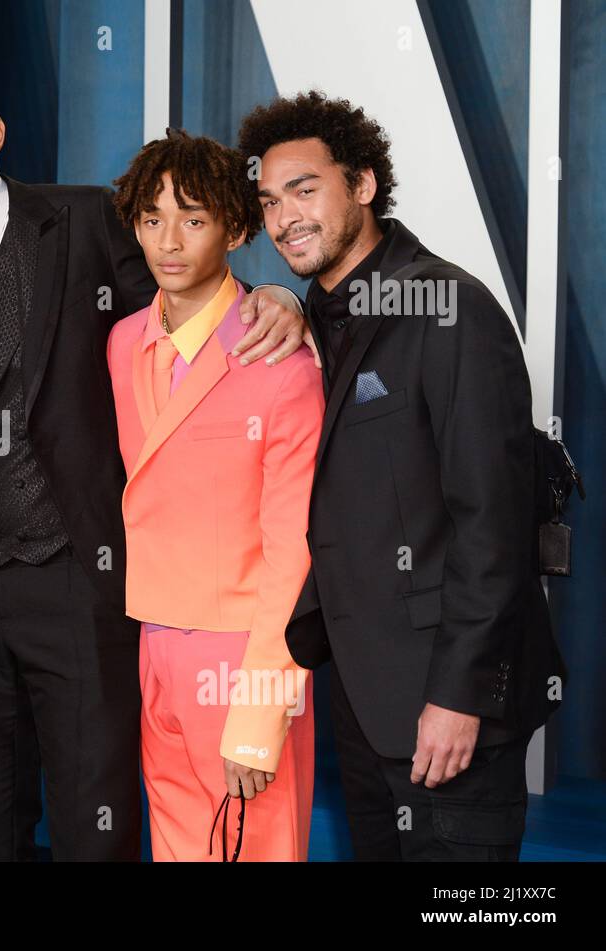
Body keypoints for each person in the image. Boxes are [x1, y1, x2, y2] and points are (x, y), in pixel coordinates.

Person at [0, 58, 314, 861]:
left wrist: (283, 297)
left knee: (93, 813)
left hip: (83, 573)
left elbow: (191, 297)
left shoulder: (91, 219)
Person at [240, 91, 565, 860]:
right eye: (268, 201)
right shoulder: (310, 317)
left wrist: (459, 694)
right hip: (362, 699)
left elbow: (494, 525)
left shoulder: (449, 307)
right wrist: (284, 298)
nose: (285, 218)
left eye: (305, 189)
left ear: (363, 185)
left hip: (450, 704)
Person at [106, 129, 322, 861]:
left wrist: (260, 713)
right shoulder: (122, 341)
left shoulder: (281, 362)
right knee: (174, 846)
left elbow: (292, 554)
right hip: (153, 637)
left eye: (193, 219)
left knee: (253, 848)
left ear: (235, 228)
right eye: (152, 218)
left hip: (243, 652)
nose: (169, 240)